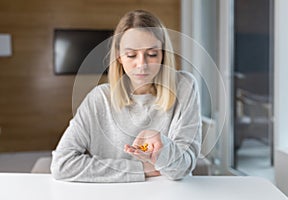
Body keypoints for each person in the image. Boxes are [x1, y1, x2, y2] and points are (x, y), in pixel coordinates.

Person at [51, 9, 202, 183]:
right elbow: (61, 164)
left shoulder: (184, 87)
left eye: (152, 54)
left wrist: (163, 146)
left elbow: (182, 168)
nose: (141, 65)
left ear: (163, 54)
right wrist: (141, 169)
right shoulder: (98, 99)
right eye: (131, 55)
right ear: (119, 57)